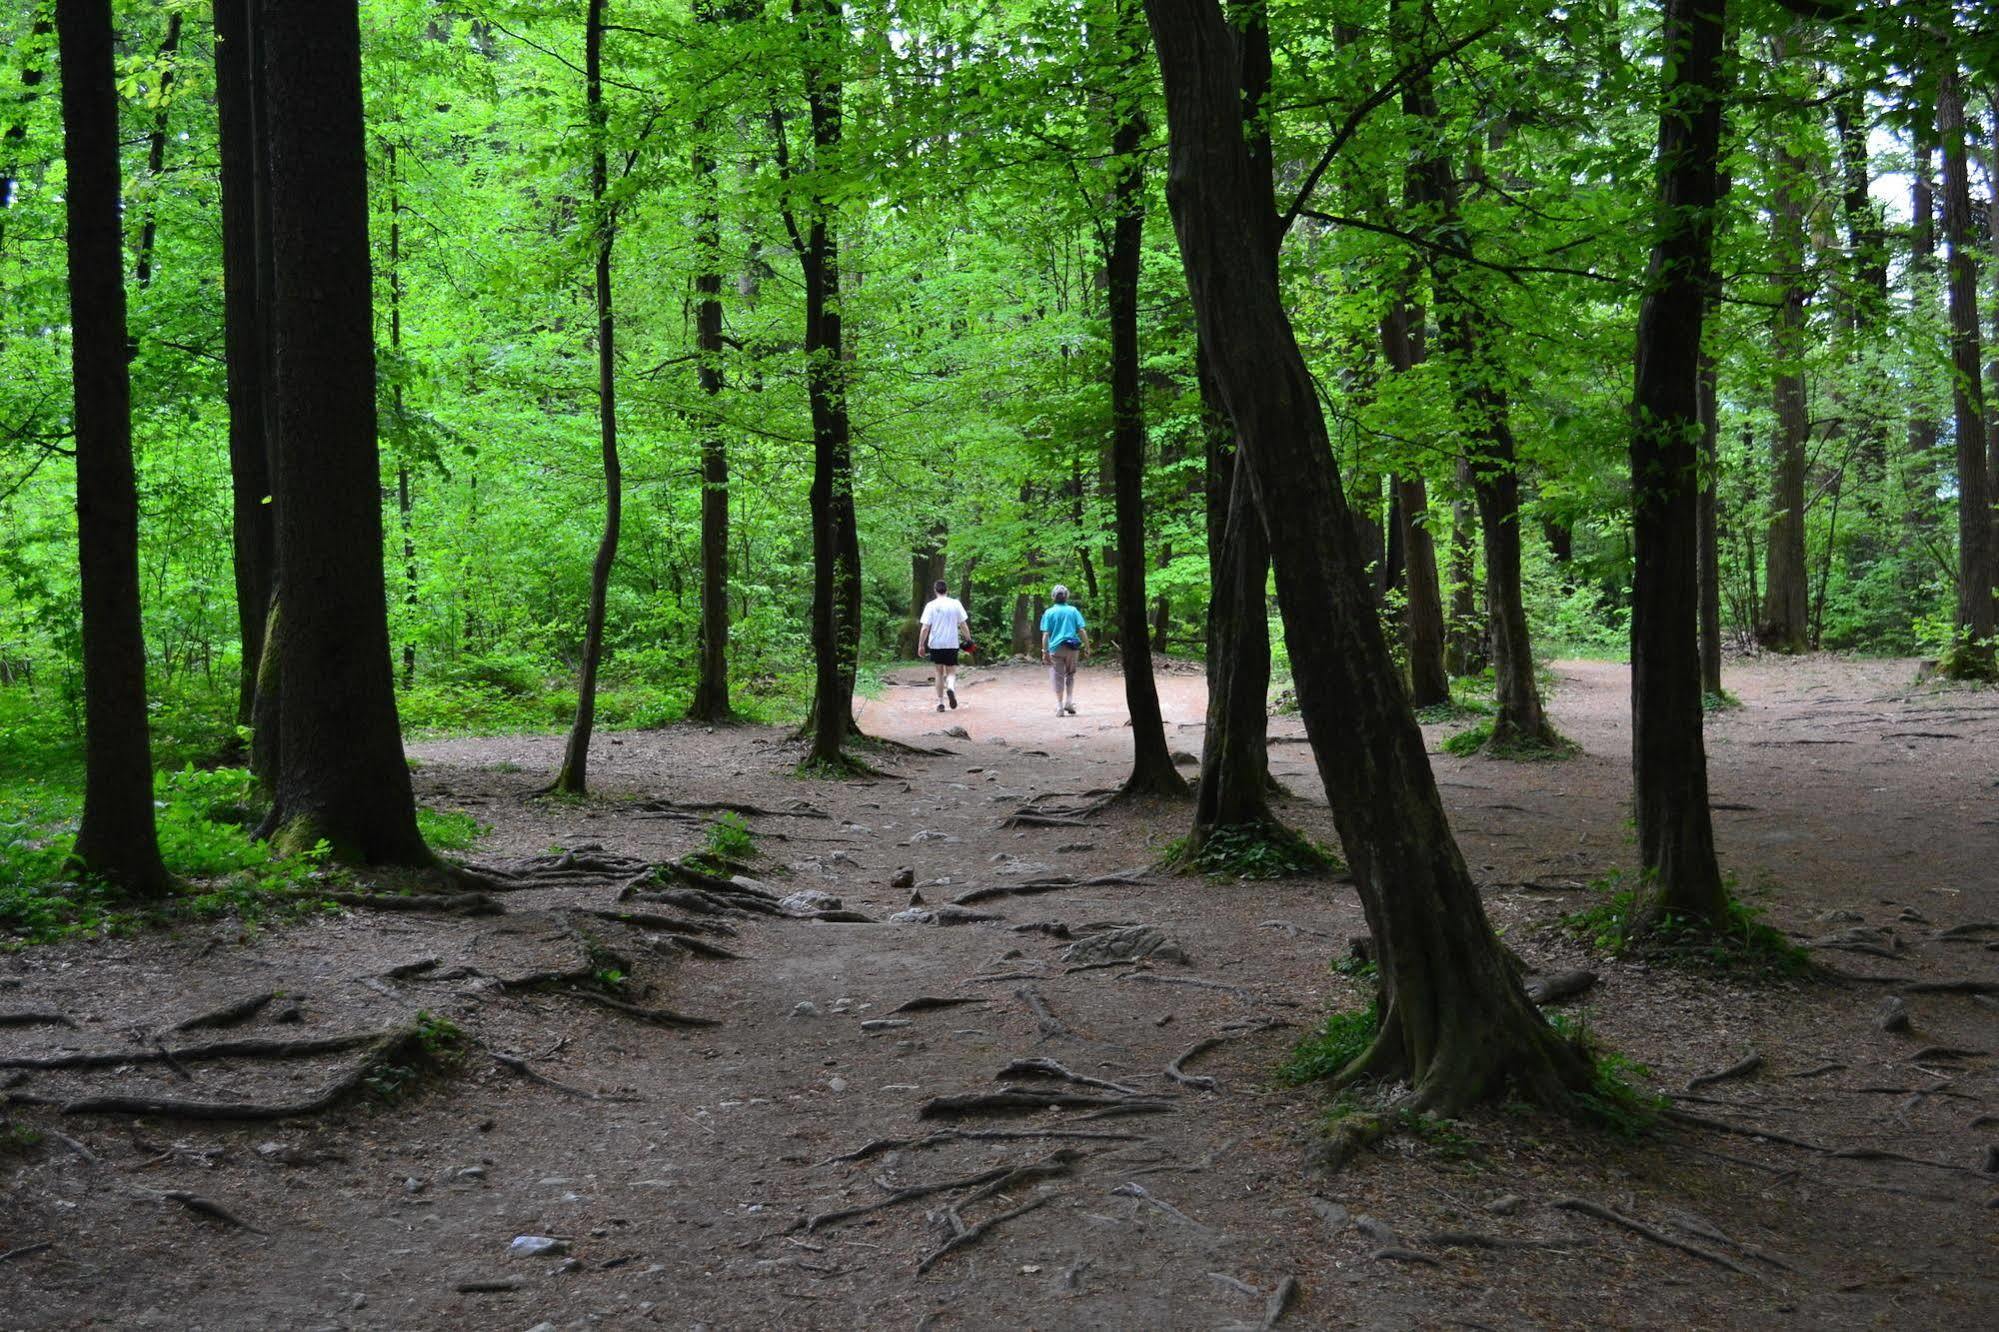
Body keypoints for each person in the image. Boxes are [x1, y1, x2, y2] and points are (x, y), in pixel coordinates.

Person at [916, 579, 970, 713]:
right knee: (951, 671)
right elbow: (963, 624)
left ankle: (940, 703)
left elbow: (925, 628)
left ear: (935, 590)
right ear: (947, 590)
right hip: (951, 643)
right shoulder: (955, 604)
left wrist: (920, 645)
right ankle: (950, 687)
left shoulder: (930, 605)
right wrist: (968, 639)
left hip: (936, 643)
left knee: (938, 672)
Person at [1039, 584, 1087, 717]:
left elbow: (1046, 634)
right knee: (1070, 674)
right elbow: (1081, 630)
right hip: (1072, 647)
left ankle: (1060, 706)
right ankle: (1069, 702)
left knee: (1057, 676)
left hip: (1055, 648)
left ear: (1053, 597)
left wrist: (1045, 651)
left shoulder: (1049, 612)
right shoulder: (1073, 611)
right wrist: (1087, 647)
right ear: (1067, 597)